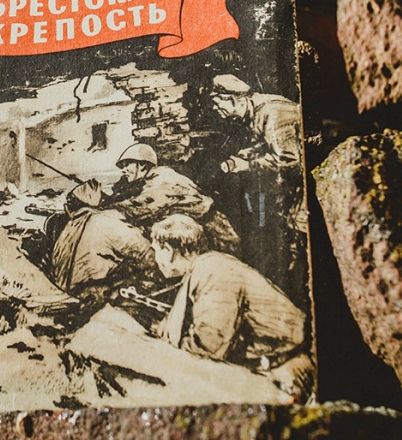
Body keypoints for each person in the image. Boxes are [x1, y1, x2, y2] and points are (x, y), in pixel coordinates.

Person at [148, 215, 313, 399]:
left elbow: (211, 342)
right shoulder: (209, 265)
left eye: (155, 250)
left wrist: (167, 353)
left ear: (168, 250)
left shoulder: (213, 270)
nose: (155, 257)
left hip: (287, 372)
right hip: (274, 367)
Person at [211, 74, 307, 285]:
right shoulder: (256, 110)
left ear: (234, 99)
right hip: (295, 182)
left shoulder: (272, 114)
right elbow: (269, 143)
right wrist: (246, 154)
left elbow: (289, 159)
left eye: (219, 105)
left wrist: (248, 165)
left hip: (305, 180)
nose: (217, 111)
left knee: (298, 233)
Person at [108, 142, 239, 254]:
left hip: (216, 233)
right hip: (205, 230)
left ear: (142, 165)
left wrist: (107, 209)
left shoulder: (162, 178)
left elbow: (143, 207)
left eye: (127, 164)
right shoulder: (153, 178)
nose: (123, 170)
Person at [50, 180, 157, 303]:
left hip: (70, 301)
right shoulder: (106, 220)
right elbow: (146, 255)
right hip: (100, 300)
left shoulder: (67, 230)